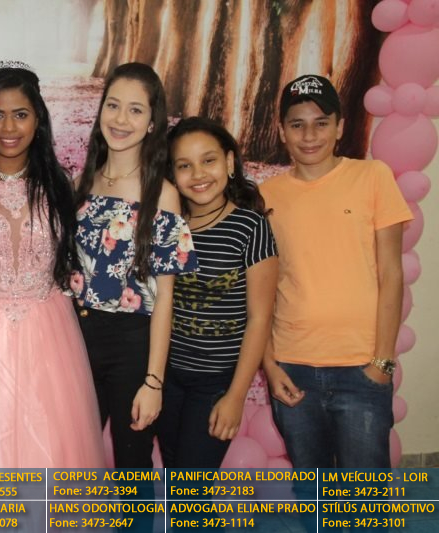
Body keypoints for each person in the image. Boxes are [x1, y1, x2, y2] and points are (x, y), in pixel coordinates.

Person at [0, 61, 105, 467]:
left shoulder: (61, 186)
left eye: (20, 114)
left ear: (38, 120)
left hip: (48, 332)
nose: (8, 127)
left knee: (51, 442)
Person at [261, 74, 413, 468]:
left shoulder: (372, 177)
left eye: (321, 123)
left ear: (340, 127)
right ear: (282, 130)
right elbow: (258, 292)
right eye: (297, 124)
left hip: (361, 368)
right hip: (293, 370)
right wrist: (270, 365)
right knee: (314, 493)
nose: (309, 135)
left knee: (365, 498)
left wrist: (382, 363)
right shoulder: (265, 197)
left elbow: (392, 274)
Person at [72, 62, 198, 468]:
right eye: (113, 105)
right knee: (74, 457)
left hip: (132, 346)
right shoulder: (80, 183)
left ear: (152, 123)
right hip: (76, 339)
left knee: (133, 464)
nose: (121, 119)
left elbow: (164, 299)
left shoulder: (162, 194)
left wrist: (153, 382)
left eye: (135, 110)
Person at [156, 117, 277, 468]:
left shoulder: (251, 227)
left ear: (229, 161)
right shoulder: (170, 226)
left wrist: (236, 396)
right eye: (184, 165)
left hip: (215, 385)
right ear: (172, 174)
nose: (198, 174)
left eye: (208, 160)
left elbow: (259, 319)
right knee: (177, 478)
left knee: (192, 487)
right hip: (167, 377)